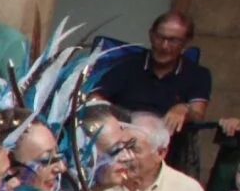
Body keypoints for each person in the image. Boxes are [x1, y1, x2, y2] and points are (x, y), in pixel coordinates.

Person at [92, 10, 214, 145]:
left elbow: (198, 113)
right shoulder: (125, 65)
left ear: (186, 42)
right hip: (120, 138)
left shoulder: (197, 74)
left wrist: (185, 109)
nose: (164, 46)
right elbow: (95, 99)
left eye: (173, 40)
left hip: (168, 145)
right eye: (160, 37)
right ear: (151, 35)